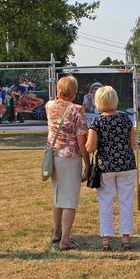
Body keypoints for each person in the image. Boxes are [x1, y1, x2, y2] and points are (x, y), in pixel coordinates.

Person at [86, 86, 137, 251]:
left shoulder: (97, 121)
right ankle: (126, 238)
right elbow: (133, 144)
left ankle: (106, 239)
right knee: (126, 201)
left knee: (105, 202)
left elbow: (91, 147)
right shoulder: (125, 119)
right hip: (127, 164)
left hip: (106, 166)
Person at [45, 75, 89, 251]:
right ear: (74, 92)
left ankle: (56, 232)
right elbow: (81, 139)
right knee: (70, 200)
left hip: (53, 156)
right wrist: (87, 163)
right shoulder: (77, 110)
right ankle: (65, 240)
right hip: (70, 158)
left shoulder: (49, 106)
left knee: (58, 197)